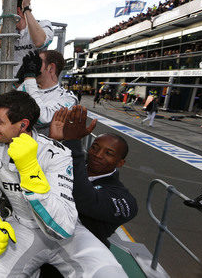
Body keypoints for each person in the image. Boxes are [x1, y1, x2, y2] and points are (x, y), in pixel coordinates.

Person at [0, 91, 126, 278]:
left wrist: (30, 170)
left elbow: (64, 228)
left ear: (23, 125)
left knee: (110, 273)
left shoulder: (57, 153)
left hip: (69, 235)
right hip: (21, 228)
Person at [49, 105, 139, 247]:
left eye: (108, 153)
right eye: (95, 148)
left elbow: (84, 198)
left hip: (81, 250)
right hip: (46, 235)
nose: (98, 155)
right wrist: (55, 142)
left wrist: (72, 142)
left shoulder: (125, 201)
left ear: (120, 163)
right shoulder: (74, 161)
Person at [16, 49, 79, 135]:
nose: (34, 66)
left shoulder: (68, 98)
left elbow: (42, 119)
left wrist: (30, 77)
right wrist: (17, 81)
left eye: (38, 63)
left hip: (42, 147)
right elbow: (1, 105)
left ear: (51, 68)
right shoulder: (26, 85)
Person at [10, 0, 54, 75]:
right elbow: (2, 47)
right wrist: (4, 1)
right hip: (13, 85)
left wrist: (26, 8)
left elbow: (39, 42)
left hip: (35, 85)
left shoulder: (43, 25)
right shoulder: (9, 32)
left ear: (18, 11)